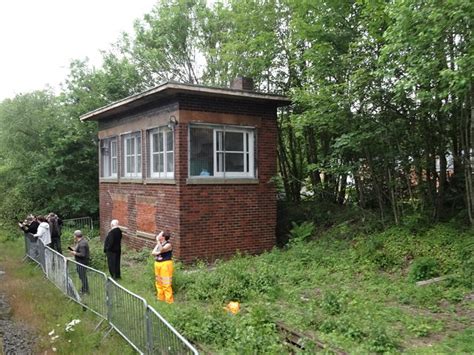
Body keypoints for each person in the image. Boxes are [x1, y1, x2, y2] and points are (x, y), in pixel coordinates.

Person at [151, 231, 174, 304]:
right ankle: (160, 298)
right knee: (158, 281)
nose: (157, 236)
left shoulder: (168, 244)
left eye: (159, 235)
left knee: (166, 282)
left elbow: (161, 250)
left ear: (163, 237)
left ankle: (169, 300)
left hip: (165, 264)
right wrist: (158, 250)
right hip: (157, 264)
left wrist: (158, 241)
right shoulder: (159, 244)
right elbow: (153, 252)